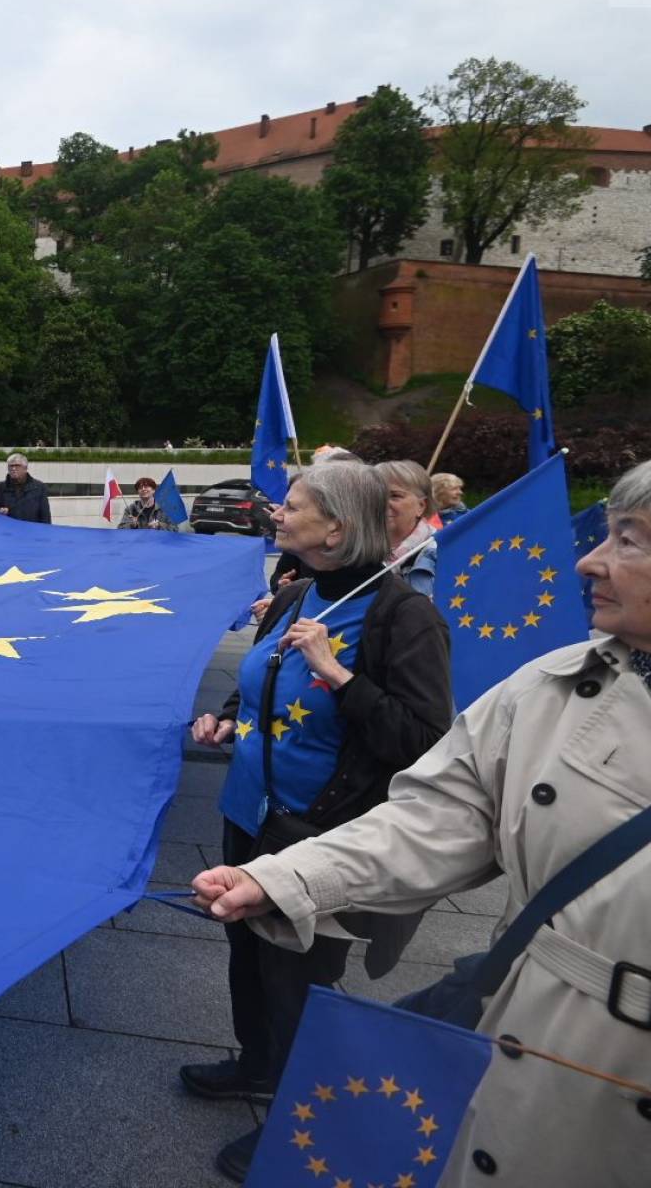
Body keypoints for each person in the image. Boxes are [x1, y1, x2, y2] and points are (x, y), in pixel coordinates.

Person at [192, 444, 651, 1187]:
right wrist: (285, 878)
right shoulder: (547, 690)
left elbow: (409, 734)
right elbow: (435, 815)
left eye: (629, 539)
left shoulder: (406, 616)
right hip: (538, 1052)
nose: (589, 562)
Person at [182, 462, 453, 1182]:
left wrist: (339, 675)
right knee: (249, 955)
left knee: (299, 979)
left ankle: (298, 1125)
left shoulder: (404, 617)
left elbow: (424, 743)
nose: (277, 511)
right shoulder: (295, 593)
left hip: (317, 832)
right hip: (249, 812)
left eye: (293, 505)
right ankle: (257, 1066)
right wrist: (227, 719)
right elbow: (264, 684)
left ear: (336, 527)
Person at [377, 458, 439, 598]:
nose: (382, 503)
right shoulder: (352, 552)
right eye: (376, 495)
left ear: (421, 506)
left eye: (395, 496)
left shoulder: (441, 552)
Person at [0, 453, 51, 523]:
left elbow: (45, 516)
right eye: (11, 466)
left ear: (25, 468)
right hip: (8, 531)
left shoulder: (39, 487)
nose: (13, 468)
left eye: (17, 465)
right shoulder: (0, 487)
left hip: (31, 531)